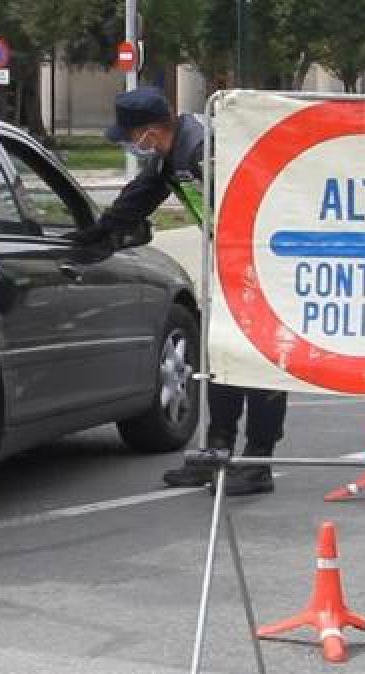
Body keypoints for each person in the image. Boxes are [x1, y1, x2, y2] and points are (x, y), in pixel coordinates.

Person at [67, 87, 284, 496]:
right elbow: (142, 195)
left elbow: (255, 200)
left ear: (149, 132)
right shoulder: (174, 153)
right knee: (220, 353)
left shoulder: (205, 151)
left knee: (258, 357)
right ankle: (217, 454)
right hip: (232, 261)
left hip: (261, 261)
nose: (132, 145)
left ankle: (258, 460)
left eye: (131, 136)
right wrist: (100, 231)